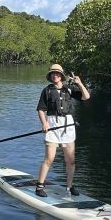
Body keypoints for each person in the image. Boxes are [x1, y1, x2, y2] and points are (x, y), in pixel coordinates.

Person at [35, 64, 90, 198]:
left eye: (57, 74)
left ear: (61, 76)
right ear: (50, 76)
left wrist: (79, 83)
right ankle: (39, 186)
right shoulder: (46, 90)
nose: (55, 75)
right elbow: (41, 109)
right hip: (52, 126)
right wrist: (44, 123)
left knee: (71, 160)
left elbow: (86, 97)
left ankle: (69, 186)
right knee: (49, 159)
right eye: (53, 73)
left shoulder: (69, 89)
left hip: (68, 126)